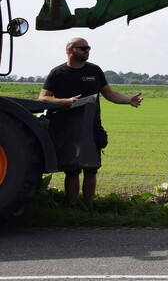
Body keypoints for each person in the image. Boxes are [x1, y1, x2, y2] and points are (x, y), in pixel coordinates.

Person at [37, 37, 143, 205]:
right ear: (70, 50)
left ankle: (88, 207)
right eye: (83, 48)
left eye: (88, 48)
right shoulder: (58, 73)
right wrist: (65, 101)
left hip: (92, 127)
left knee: (91, 169)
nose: (87, 51)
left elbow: (109, 93)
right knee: (71, 171)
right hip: (67, 128)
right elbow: (43, 98)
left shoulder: (95, 71)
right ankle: (71, 208)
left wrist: (128, 100)